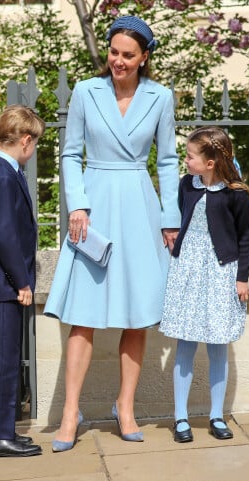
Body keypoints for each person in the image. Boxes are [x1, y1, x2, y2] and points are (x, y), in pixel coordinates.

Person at [44, 15, 181, 449]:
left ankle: (125, 407)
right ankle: (70, 413)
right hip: (95, 206)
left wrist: (170, 215)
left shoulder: (161, 98)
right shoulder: (86, 91)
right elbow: (69, 154)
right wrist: (78, 204)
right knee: (83, 316)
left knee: (136, 314)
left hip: (140, 206)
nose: (118, 61)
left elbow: (168, 161)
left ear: (144, 58)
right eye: (114, 52)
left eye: (128, 55)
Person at [159, 126, 249, 443]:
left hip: (220, 272)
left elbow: (246, 239)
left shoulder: (236, 194)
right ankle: (181, 418)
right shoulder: (187, 185)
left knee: (217, 346)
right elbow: (175, 219)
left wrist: (242, 278)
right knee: (184, 345)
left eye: (190, 156)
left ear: (210, 162)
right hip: (187, 270)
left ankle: (216, 415)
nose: (185, 161)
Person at [0, 105, 45, 458]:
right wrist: (22, 282)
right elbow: (3, 234)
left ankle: (4, 432)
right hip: (3, 285)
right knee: (2, 361)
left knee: (6, 359)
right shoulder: (2, 174)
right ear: (26, 140)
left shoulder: (0, 170)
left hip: (1, 283)